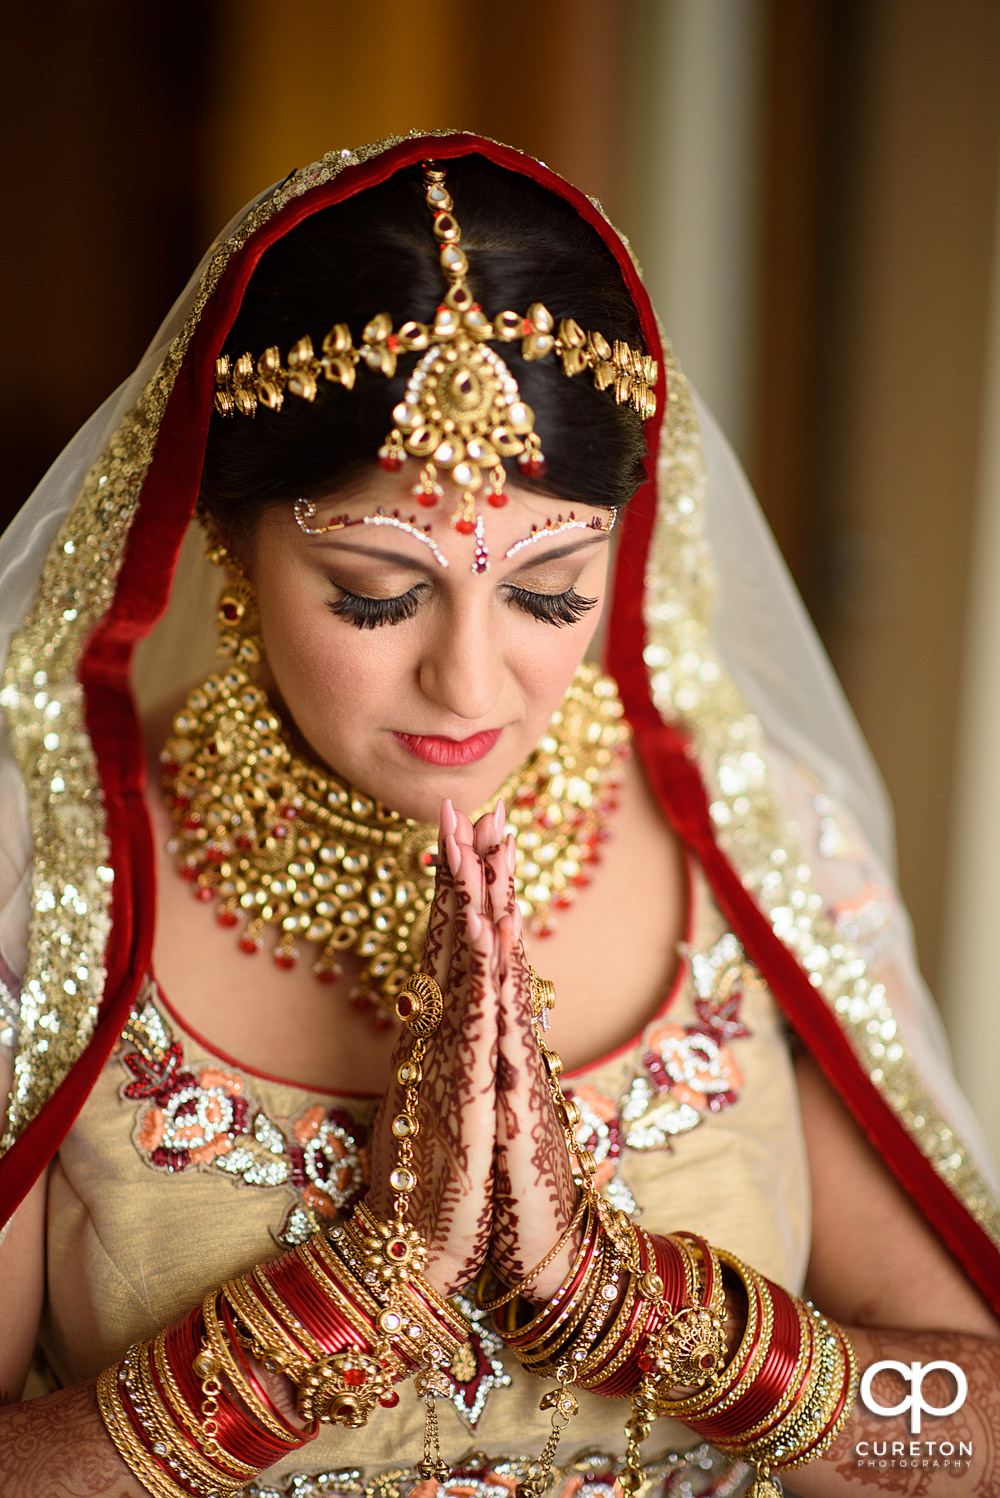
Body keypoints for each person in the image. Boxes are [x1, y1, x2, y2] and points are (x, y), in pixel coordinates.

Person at [0, 131, 997, 1498]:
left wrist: (648, 1311)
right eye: (374, 590)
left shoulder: (754, 840)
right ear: (222, 536)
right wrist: (326, 1317)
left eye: (550, 591)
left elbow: (969, 1429)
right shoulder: (51, 869)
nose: (469, 680)